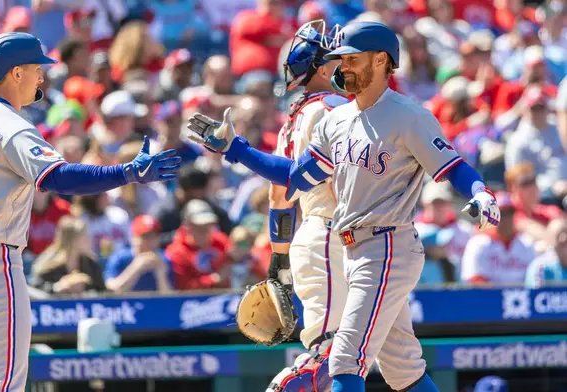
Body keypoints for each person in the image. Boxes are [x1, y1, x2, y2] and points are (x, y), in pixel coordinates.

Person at [187, 21, 500, 392]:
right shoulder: (336, 119)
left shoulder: (407, 115)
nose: (342, 67)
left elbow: (453, 166)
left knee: (344, 359)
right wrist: (236, 150)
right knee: (403, 369)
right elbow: (294, 178)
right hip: (350, 248)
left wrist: (480, 192)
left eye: (351, 59)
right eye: (339, 59)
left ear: (381, 60)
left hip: (387, 245)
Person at [0, 32, 181, 392]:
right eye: (36, 68)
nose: (42, 77)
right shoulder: (11, 125)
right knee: (0, 384)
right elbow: (59, 177)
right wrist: (127, 172)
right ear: (15, 73)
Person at [262, 20, 351, 392]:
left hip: (321, 235)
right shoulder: (340, 108)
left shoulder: (293, 119)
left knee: (352, 358)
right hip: (333, 234)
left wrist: (279, 258)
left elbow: (279, 195)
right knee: (332, 355)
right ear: (322, 66)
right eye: (333, 58)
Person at [461, 192, 535, 285]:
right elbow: (475, 281)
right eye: (501, 214)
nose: (506, 219)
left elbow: (534, 279)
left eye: (510, 213)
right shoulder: (479, 243)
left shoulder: (526, 242)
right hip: (488, 298)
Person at [526, 218, 567, 288]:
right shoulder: (540, 266)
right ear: (550, 240)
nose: (563, 238)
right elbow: (536, 294)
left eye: (566, 232)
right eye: (558, 234)